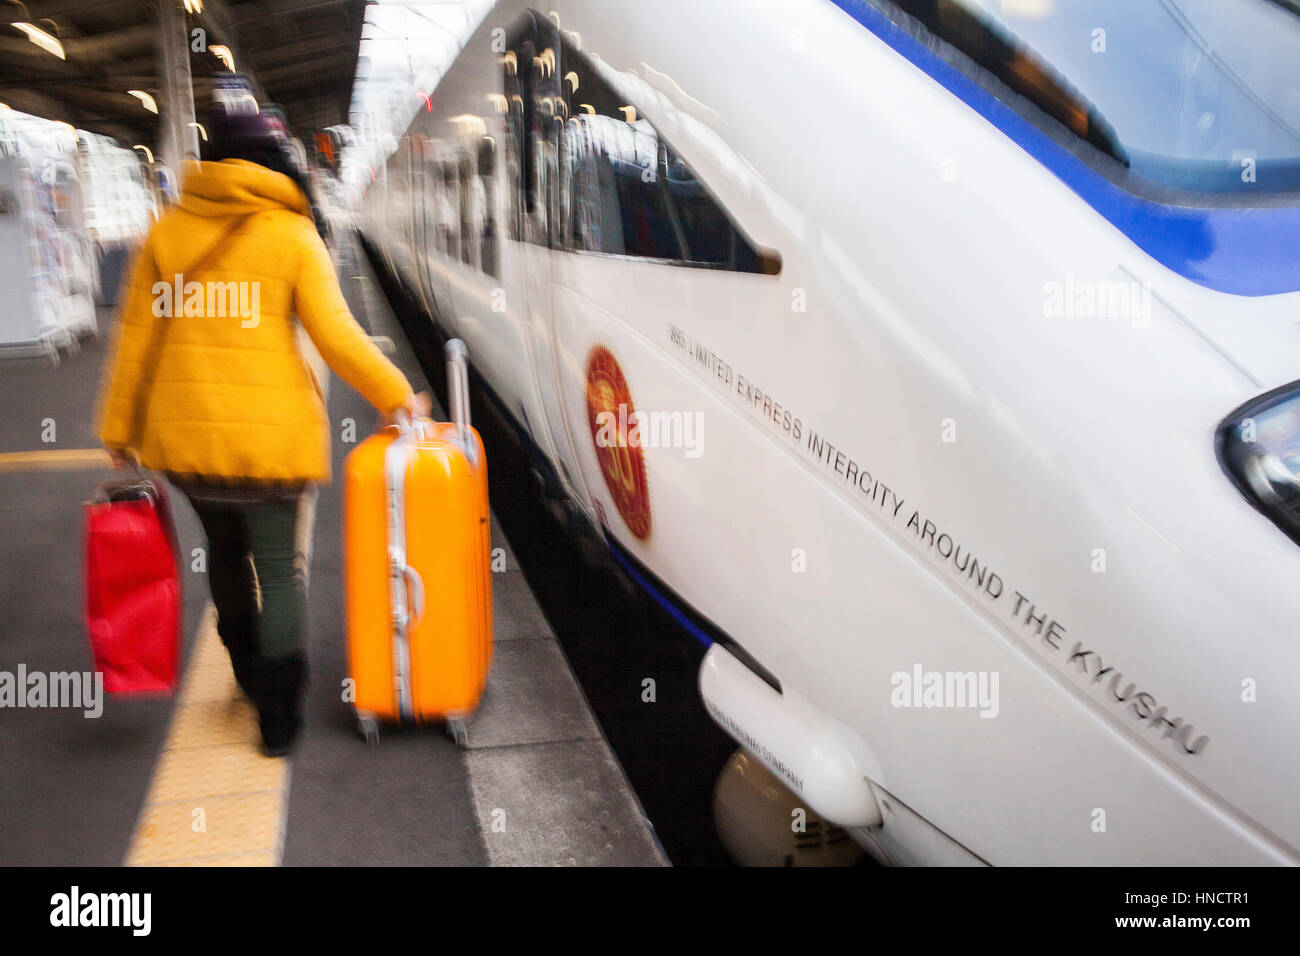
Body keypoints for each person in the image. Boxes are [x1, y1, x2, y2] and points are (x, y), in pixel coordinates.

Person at [96, 77, 428, 755]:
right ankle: (278, 718)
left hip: (186, 448)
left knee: (223, 553)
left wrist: (118, 434)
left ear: (212, 162)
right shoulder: (292, 234)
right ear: (276, 164)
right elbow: (338, 336)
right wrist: (397, 395)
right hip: (270, 449)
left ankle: (246, 672)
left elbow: (134, 339)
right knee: (280, 573)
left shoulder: (165, 230)